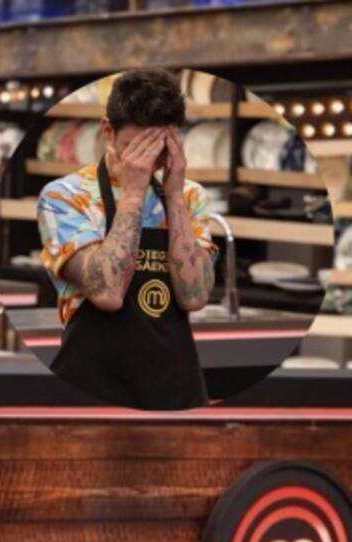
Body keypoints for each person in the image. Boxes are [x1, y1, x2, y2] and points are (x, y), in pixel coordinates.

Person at [36, 69, 218, 410]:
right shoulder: (64, 197)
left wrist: (174, 197)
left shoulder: (190, 196)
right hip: (91, 392)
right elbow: (106, 293)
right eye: (135, 149)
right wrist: (133, 195)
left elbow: (194, 297)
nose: (147, 163)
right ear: (108, 130)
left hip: (173, 391)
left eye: (158, 151)